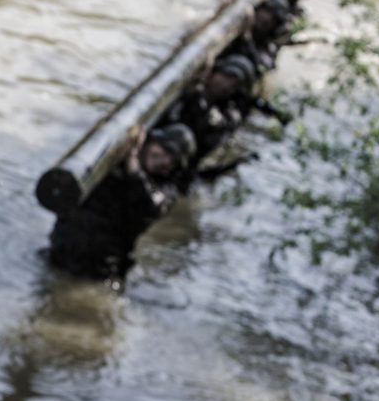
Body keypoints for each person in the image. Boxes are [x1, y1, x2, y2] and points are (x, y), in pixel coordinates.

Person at [48, 124, 196, 284]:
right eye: (165, 150)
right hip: (62, 252)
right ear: (151, 142)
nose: (165, 160)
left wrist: (132, 164)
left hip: (100, 271)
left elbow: (150, 206)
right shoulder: (111, 160)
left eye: (173, 160)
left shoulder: (166, 190)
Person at [162, 54, 256, 162]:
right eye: (227, 76)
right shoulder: (201, 92)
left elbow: (204, 117)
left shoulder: (226, 115)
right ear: (217, 71)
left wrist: (200, 82)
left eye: (234, 85)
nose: (226, 85)